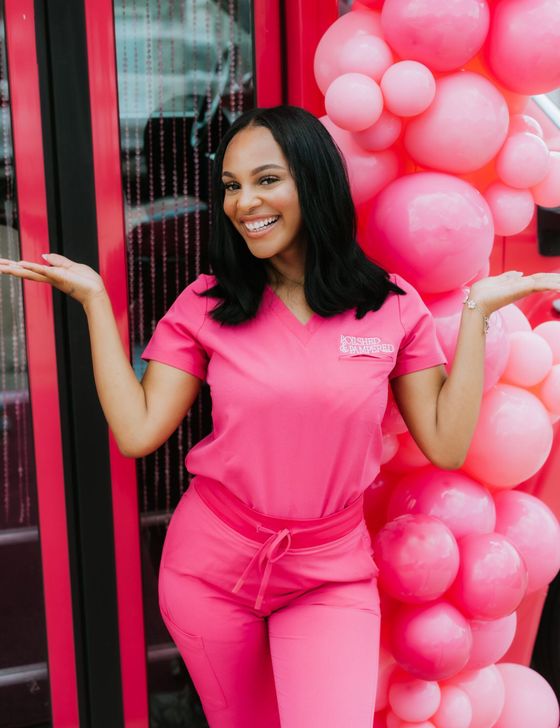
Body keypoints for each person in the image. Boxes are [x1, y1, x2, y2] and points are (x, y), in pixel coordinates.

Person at [1, 105, 559, 728]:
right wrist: (96, 302)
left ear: (313, 182)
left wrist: (477, 314)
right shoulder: (208, 304)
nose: (245, 203)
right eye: (233, 186)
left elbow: (448, 447)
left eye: (267, 180)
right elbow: (137, 431)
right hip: (210, 569)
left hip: (330, 573)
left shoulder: (391, 307)